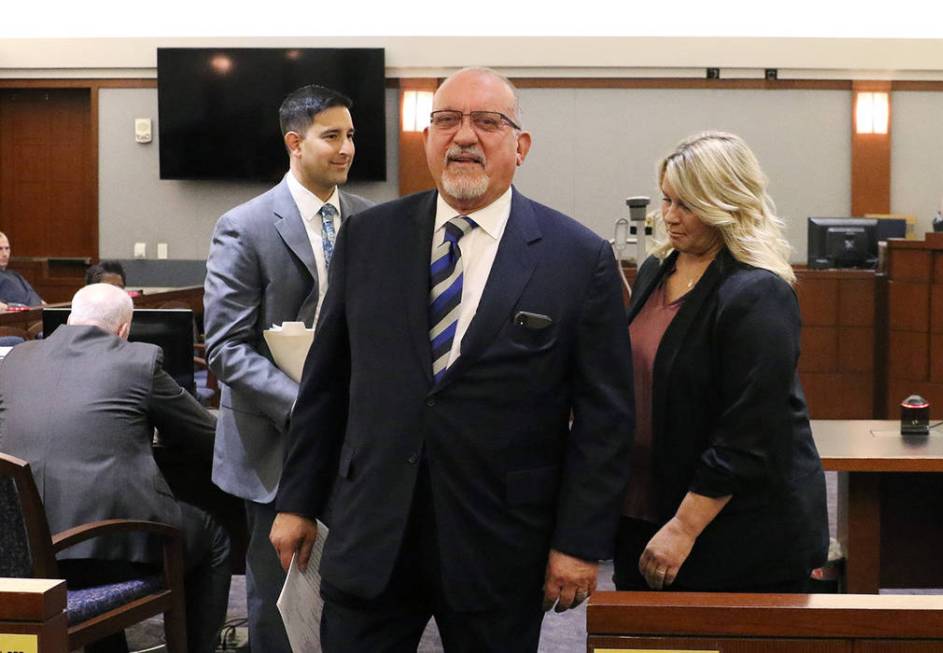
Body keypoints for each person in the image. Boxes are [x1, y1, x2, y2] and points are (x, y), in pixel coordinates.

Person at [270, 67, 634, 652]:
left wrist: (579, 542)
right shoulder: (368, 238)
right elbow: (327, 383)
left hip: (499, 542)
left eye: (487, 122)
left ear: (521, 146)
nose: (464, 136)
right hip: (372, 530)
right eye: (446, 120)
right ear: (429, 138)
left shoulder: (578, 257)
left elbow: (604, 420)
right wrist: (297, 502)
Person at [614, 131, 829, 593]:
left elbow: (747, 433)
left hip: (732, 529)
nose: (669, 216)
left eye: (686, 205)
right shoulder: (657, 269)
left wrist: (685, 526)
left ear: (725, 203)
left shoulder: (758, 292)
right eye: (667, 199)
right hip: (648, 505)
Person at [203, 84, 374, 652]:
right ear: (294, 143)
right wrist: (308, 407)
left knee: (352, 591)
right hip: (274, 441)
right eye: (332, 136)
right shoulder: (244, 225)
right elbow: (226, 348)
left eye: (351, 135)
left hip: (358, 440)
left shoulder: (370, 222)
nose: (347, 148)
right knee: (279, 600)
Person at [0, 283, 230, 653]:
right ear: (124, 329)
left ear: (70, 319)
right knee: (213, 536)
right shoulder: (137, 360)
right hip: (107, 554)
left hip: (19, 553)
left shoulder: (16, 360)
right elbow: (206, 437)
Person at [0, 231, 43, 310]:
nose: (5, 254)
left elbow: (38, 299)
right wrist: (11, 309)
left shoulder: (15, 275)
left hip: (36, 314)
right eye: (0, 249)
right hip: (15, 318)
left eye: (7, 248)